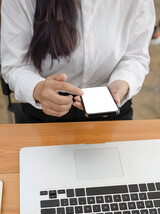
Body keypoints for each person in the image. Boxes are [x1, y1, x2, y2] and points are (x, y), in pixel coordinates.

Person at [1, 0, 155, 123]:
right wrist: (38, 90)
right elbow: (15, 65)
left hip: (112, 106)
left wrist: (124, 80)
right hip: (45, 109)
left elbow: (135, 55)